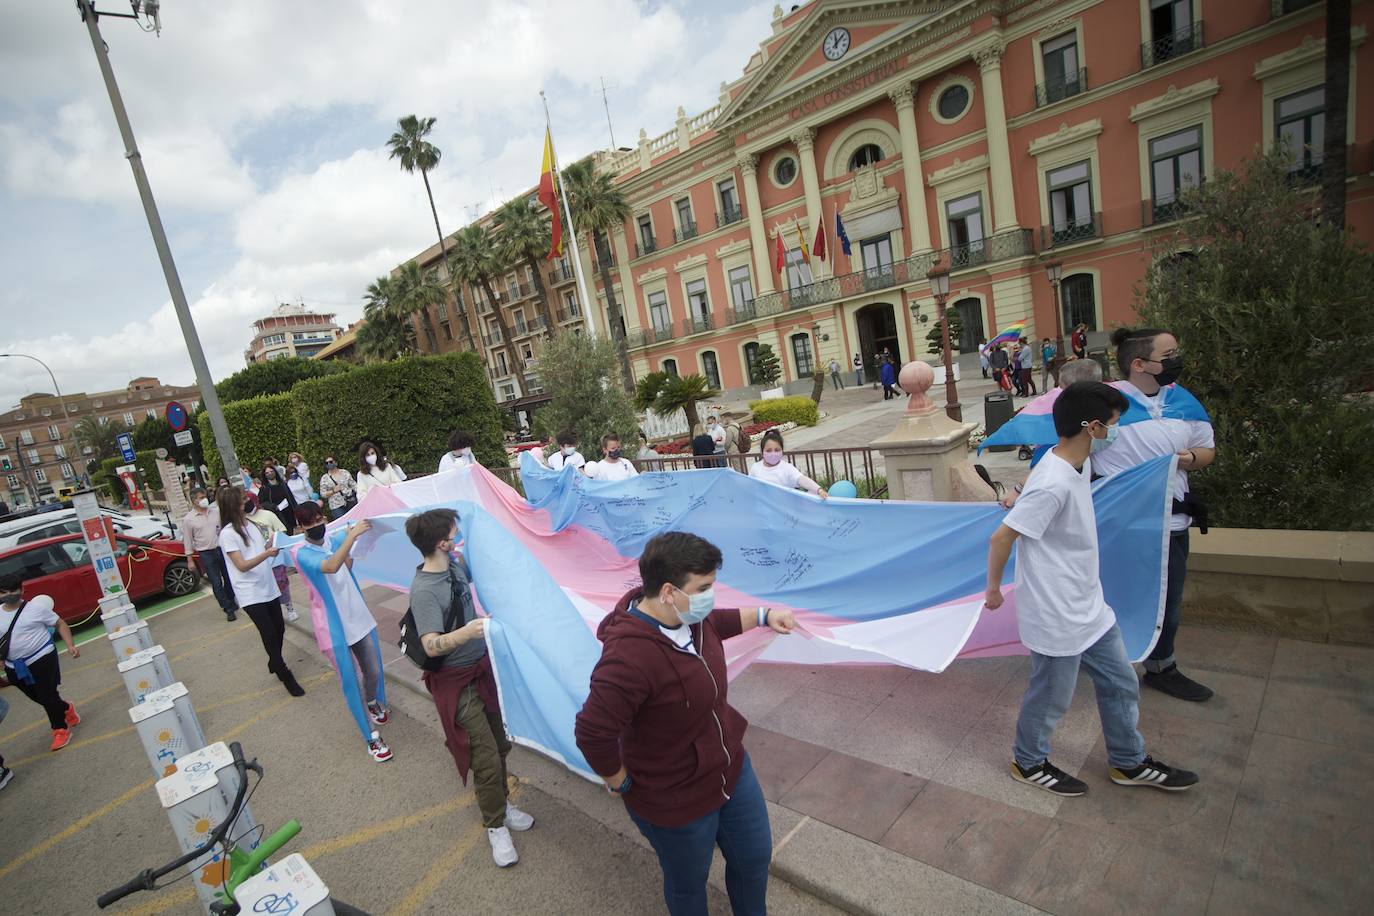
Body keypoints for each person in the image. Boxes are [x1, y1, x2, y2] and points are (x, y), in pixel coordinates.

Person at [985, 381, 1199, 797]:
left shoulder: (1072, 462)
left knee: (1121, 682)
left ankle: (1128, 762)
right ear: (1093, 428)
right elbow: (1002, 537)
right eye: (1114, 424)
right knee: (1051, 696)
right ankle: (1028, 762)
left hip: (1089, 605)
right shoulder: (1053, 482)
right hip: (1056, 611)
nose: (1117, 432)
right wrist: (994, 590)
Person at [575, 531, 797, 916]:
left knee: (754, 859)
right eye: (704, 588)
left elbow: (717, 621)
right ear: (667, 592)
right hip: (674, 799)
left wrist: (764, 615)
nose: (711, 596)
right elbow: (592, 732)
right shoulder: (628, 658)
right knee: (688, 885)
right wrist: (620, 781)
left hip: (730, 770)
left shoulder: (689, 616)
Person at [1091, 327, 1216, 703]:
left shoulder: (1183, 400)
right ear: (1139, 364)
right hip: (1122, 527)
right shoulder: (1104, 404)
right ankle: (1101, 659)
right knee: (1111, 597)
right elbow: (1067, 450)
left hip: (1172, 525)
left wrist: (1188, 458)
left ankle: (1162, 667)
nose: (1176, 360)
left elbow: (1206, 450)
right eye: (1169, 354)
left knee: (1167, 600)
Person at [404, 508, 534, 867]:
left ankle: (502, 804)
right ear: (441, 543)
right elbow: (431, 645)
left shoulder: (455, 565)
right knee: (485, 757)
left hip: (482, 671)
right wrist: (469, 631)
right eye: (454, 534)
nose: (458, 537)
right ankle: (495, 826)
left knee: (500, 745)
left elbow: (482, 570)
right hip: (455, 682)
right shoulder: (424, 590)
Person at [291, 503, 391, 763]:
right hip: (333, 626)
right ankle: (371, 738)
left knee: (373, 670)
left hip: (356, 615)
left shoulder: (334, 539)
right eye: (309, 523)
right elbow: (331, 566)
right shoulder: (301, 553)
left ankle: (372, 700)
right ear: (300, 527)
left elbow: (346, 564)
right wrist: (351, 536)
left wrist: (356, 538)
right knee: (351, 682)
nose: (316, 526)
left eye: (318, 519)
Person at [219, 487, 304, 697]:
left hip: (268, 585)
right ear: (233, 506)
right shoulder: (228, 534)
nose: (247, 503)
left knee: (279, 628)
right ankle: (284, 673)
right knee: (268, 632)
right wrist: (266, 554)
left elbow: (258, 549)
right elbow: (241, 565)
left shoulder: (252, 525)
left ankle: (274, 660)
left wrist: (271, 545)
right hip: (249, 592)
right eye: (242, 501)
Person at [0, 574, 81, 751]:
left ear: (22, 590)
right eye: (4, 592)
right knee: (36, 695)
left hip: (42, 657)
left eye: (13, 590)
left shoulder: (35, 609)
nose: (9, 595)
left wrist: (70, 645)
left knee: (47, 693)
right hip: (14, 665)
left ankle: (60, 730)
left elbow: (60, 624)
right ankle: (65, 707)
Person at [182, 485, 237, 622]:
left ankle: (231, 600)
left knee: (229, 577)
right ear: (194, 500)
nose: (204, 500)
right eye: (201, 498)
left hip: (221, 549)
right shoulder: (188, 519)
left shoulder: (216, 512)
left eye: (205, 497)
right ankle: (227, 608)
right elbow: (188, 540)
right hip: (206, 553)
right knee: (216, 582)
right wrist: (189, 560)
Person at [244, 491, 299, 623]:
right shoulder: (242, 522)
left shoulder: (267, 514)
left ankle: (289, 607)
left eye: (247, 500)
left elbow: (281, 529)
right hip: (257, 560)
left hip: (274, 557)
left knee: (281, 583)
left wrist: (274, 539)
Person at [748, 430, 828, 498]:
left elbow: (800, 479)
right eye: (769, 450)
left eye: (777, 450)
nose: (773, 453)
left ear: (782, 451)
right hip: (763, 510)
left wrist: (818, 490)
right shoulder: (755, 468)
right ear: (762, 452)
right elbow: (748, 488)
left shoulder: (787, 468)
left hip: (785, 509)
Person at [258, 464, 298, 535]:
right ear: (265, 475)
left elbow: (291, 497)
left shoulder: (283, 484)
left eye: (271, 471)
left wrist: (296, 509)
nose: (270, 473)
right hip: (277, 515)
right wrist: (274, 506)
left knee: (291, 532)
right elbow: (262, 503)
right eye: (267, 473)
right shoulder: (264, 489)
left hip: (289, 513)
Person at [318, 456, 357, 521]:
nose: (329, 464)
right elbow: (323, 494)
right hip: (336, 506)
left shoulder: (344, 472)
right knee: (343, 523)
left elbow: (353, 485)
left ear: (335, 462)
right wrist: (333, 491)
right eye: (327, 463)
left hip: (350, 501)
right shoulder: (324, 478)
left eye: (331, 462)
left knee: (355, 519)